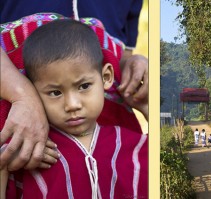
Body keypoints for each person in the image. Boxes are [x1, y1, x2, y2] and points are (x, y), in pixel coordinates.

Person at [0, 19, 148, 199]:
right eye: (55, 92)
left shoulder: (132, 145)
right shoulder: (29, 154)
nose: (72, 105)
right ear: (34, 91)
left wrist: (148, 108)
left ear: (106, 77)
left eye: (84, 86)